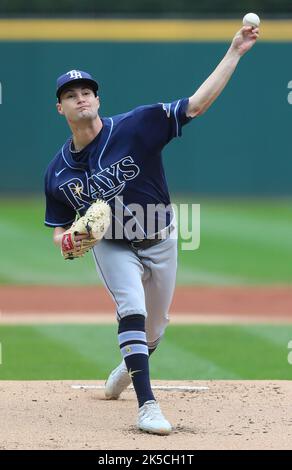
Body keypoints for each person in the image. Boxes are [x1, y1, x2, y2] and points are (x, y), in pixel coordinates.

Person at [44, 26, 259, 435]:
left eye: (86, 91)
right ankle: (147, 406)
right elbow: (59, 232)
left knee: (155, 328)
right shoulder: (57, 173)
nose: (81, 98)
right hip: (112, 245)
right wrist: (68, 241)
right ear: (60, 109)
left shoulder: (138, 124)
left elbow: (196, 105)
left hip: (160, 238)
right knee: (132, 309)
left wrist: (235, 51)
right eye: (70, 95)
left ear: (97, 99)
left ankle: (127, 369)